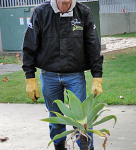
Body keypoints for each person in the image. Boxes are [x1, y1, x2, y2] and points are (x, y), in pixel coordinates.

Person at [22, 0, 103, 149]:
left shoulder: (83, 12)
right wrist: (30, 78)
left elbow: (93, 45)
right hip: (49, 75)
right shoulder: (41, 12)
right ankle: (59, 146)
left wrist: (97, 77)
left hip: (75, 76)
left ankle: (86, 147)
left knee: (81, 119)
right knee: (56, 118)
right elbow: (29, 45)